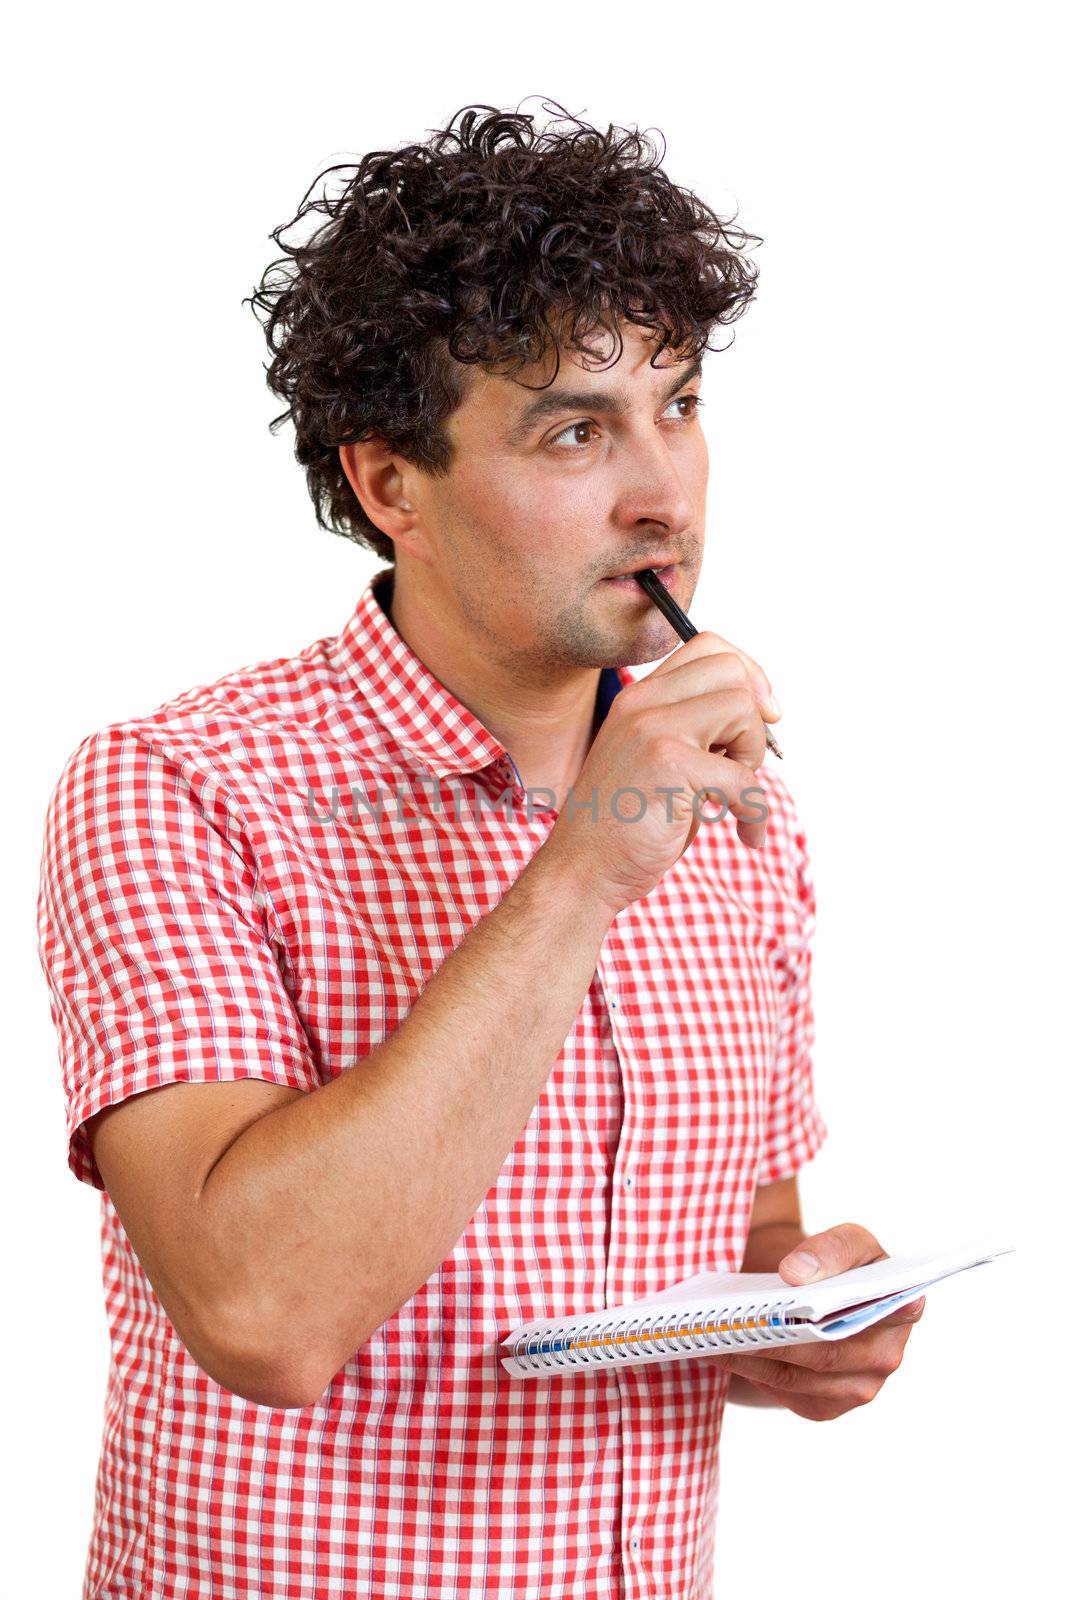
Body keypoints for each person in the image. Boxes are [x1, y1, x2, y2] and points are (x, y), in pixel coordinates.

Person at [36, 101, 924, 1600]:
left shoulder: (735, 809)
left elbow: (749, 1221)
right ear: (391, 484)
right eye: (576, 428)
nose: (667, 492)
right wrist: (584, 865)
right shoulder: (180, 789)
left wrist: (807, 1309)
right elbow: (261, 1311)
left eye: (679, 402)